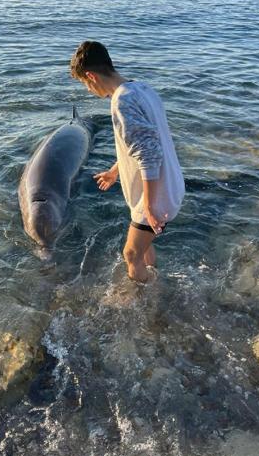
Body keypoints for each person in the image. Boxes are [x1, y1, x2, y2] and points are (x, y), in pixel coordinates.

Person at [70, 41, 185, 282]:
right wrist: (115, 171)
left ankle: (147, 295)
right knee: (142, 249)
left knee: (131, 254)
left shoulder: (122, 101)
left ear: (91, 76)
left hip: (156, 196)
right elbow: (146, 143)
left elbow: (149, 155)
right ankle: (153, 277)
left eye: (84, 84)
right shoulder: (142, 89)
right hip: (169, 186)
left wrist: (151, 208)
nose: (89, 90)